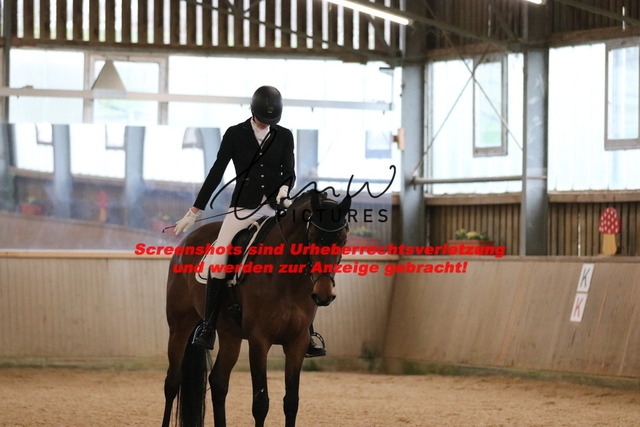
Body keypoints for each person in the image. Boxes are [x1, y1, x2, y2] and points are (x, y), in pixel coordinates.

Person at [173, 85, 326, 357]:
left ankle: (308, 331)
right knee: (219, 257)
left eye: (271, 121)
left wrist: (284, 190)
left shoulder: (284, 135)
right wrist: (194, 210)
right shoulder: (235, 134)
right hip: (242, 208)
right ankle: (208, 326)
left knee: (301, 256)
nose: (266, 124)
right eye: (263, 120)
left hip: (274, 210)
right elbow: (216, 172)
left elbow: (289, 171)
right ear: (253, 112)